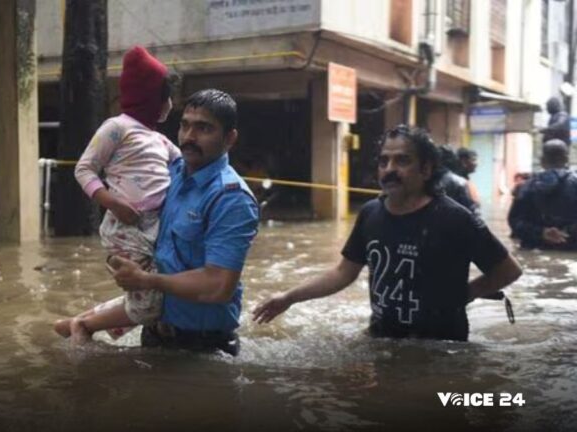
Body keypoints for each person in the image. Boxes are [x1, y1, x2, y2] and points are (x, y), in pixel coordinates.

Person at [253, 125, 522, 342]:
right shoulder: (371, 213)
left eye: (402, 160)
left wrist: (464, 294)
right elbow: (343, 273)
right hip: (381, 341)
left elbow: (508, 270)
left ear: (426, 169)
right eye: (384, 161)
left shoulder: (454, 218)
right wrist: (289, 297)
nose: (390, 169)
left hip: (442, 351)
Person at [107, 89, 260, 356]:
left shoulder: (232, 199)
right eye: (185, 125)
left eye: (204, 128)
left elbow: (218, 285)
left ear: (229, 139)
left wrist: (146, 280)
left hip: (205, 350)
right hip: (154, 334)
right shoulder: (169, 174)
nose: (189, 137)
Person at [54, 46, 180, 343]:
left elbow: (184, 166)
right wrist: (112, 202)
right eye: (166, 96)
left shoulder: (160, 140)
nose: (171, 104)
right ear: (150, 98)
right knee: (149, 306)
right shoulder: (117, 128)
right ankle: (85, 327)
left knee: (153, 295)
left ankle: (78, 321)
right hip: (124, 228)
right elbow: (83, 169)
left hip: (152, 228)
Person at [508, 139, 577, 250]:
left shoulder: (525, 186)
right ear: (566, 159)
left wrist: (541, 233)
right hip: (571, 249)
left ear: (542, 160)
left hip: (534, 248)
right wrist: (565, 232)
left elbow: (515, 222)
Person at [436, 145, 479, 215]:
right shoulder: (459, 182)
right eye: (473, 159)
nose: (476, 163)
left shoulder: (460, 180)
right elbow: (473, 212)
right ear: (463, 161)